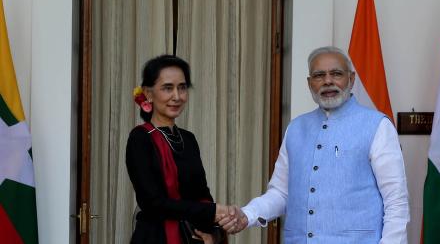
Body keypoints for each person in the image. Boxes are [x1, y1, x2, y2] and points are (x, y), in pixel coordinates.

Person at [220, 46, 410, 243]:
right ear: (310, 83)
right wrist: (247, 215)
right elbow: (281, 193)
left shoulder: (377, 125)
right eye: (319, 75)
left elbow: (396, 200)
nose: (328, 81)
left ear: (351, 79)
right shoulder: (296, 128)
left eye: (336, 74)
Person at [126, 55, 229, 244]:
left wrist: (213, 232)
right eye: (167, 88)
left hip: (191, 237)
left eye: (182, 88)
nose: (177, 96)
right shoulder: (140, 138)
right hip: (154, 238)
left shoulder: (188, 139)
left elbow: (202, 194)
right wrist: (212, 211)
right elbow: (152, 203)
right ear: (148, 94)